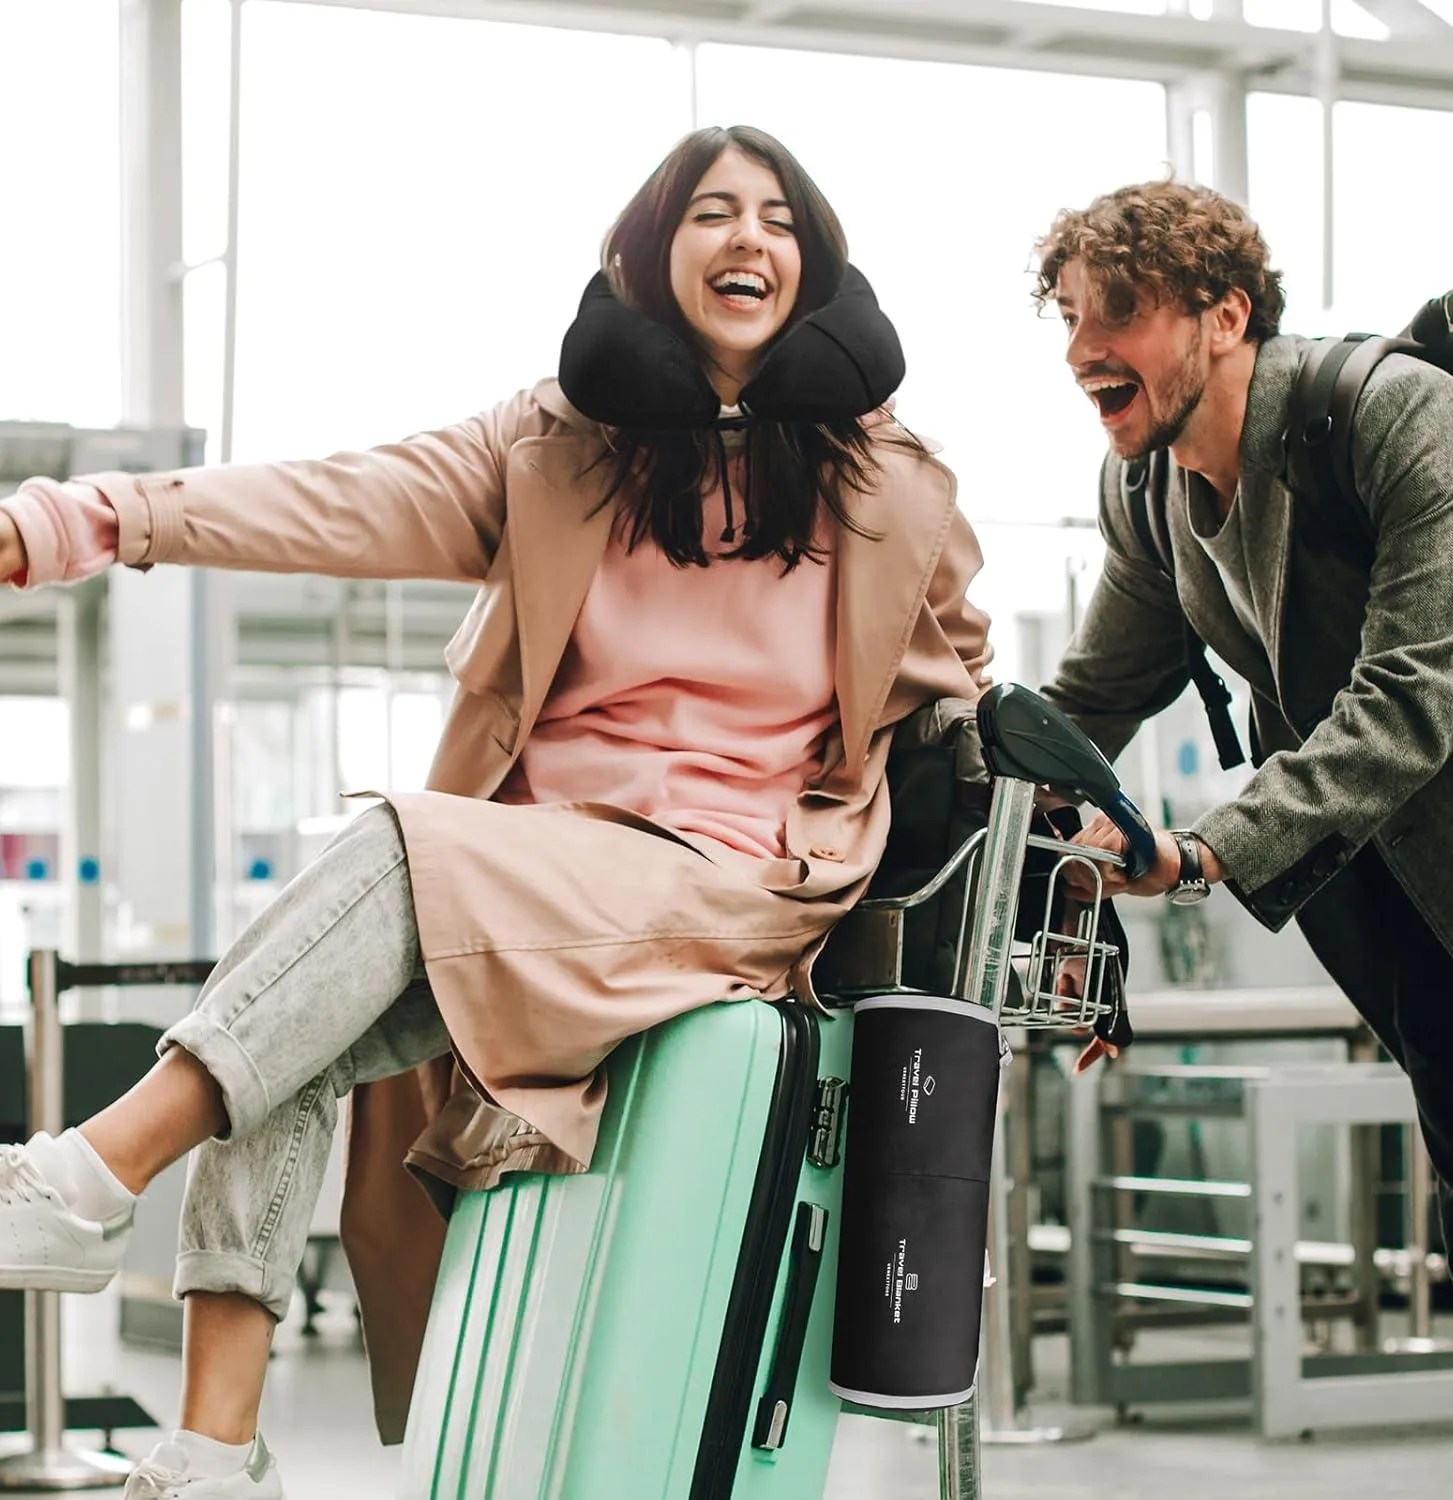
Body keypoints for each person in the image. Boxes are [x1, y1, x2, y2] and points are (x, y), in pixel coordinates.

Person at [0, 124, 992, 1497]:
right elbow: (332, 501)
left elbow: (970, 700)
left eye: (779, 219)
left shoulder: (888, 492)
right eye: (711, 212)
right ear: (652, 262)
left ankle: (86, 1180)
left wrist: (1094, 843)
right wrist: (81, 522)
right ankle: (209, 1454)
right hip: (538, 873)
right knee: (289, 1014)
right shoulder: (553, 453)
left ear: (815, 272)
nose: (748, 238)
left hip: (734, 879)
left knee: (396, 840)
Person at [1031, 177, 1453, 1425]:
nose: (1084, 349)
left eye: (1117, 311)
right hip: (1419, 936)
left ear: (1225, 314)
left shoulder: (1400, 416)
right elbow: (1090, 700)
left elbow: (1413, 701)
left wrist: (1198, 853)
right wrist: (930, 779)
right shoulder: (1149, 497)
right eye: (1069, 315)